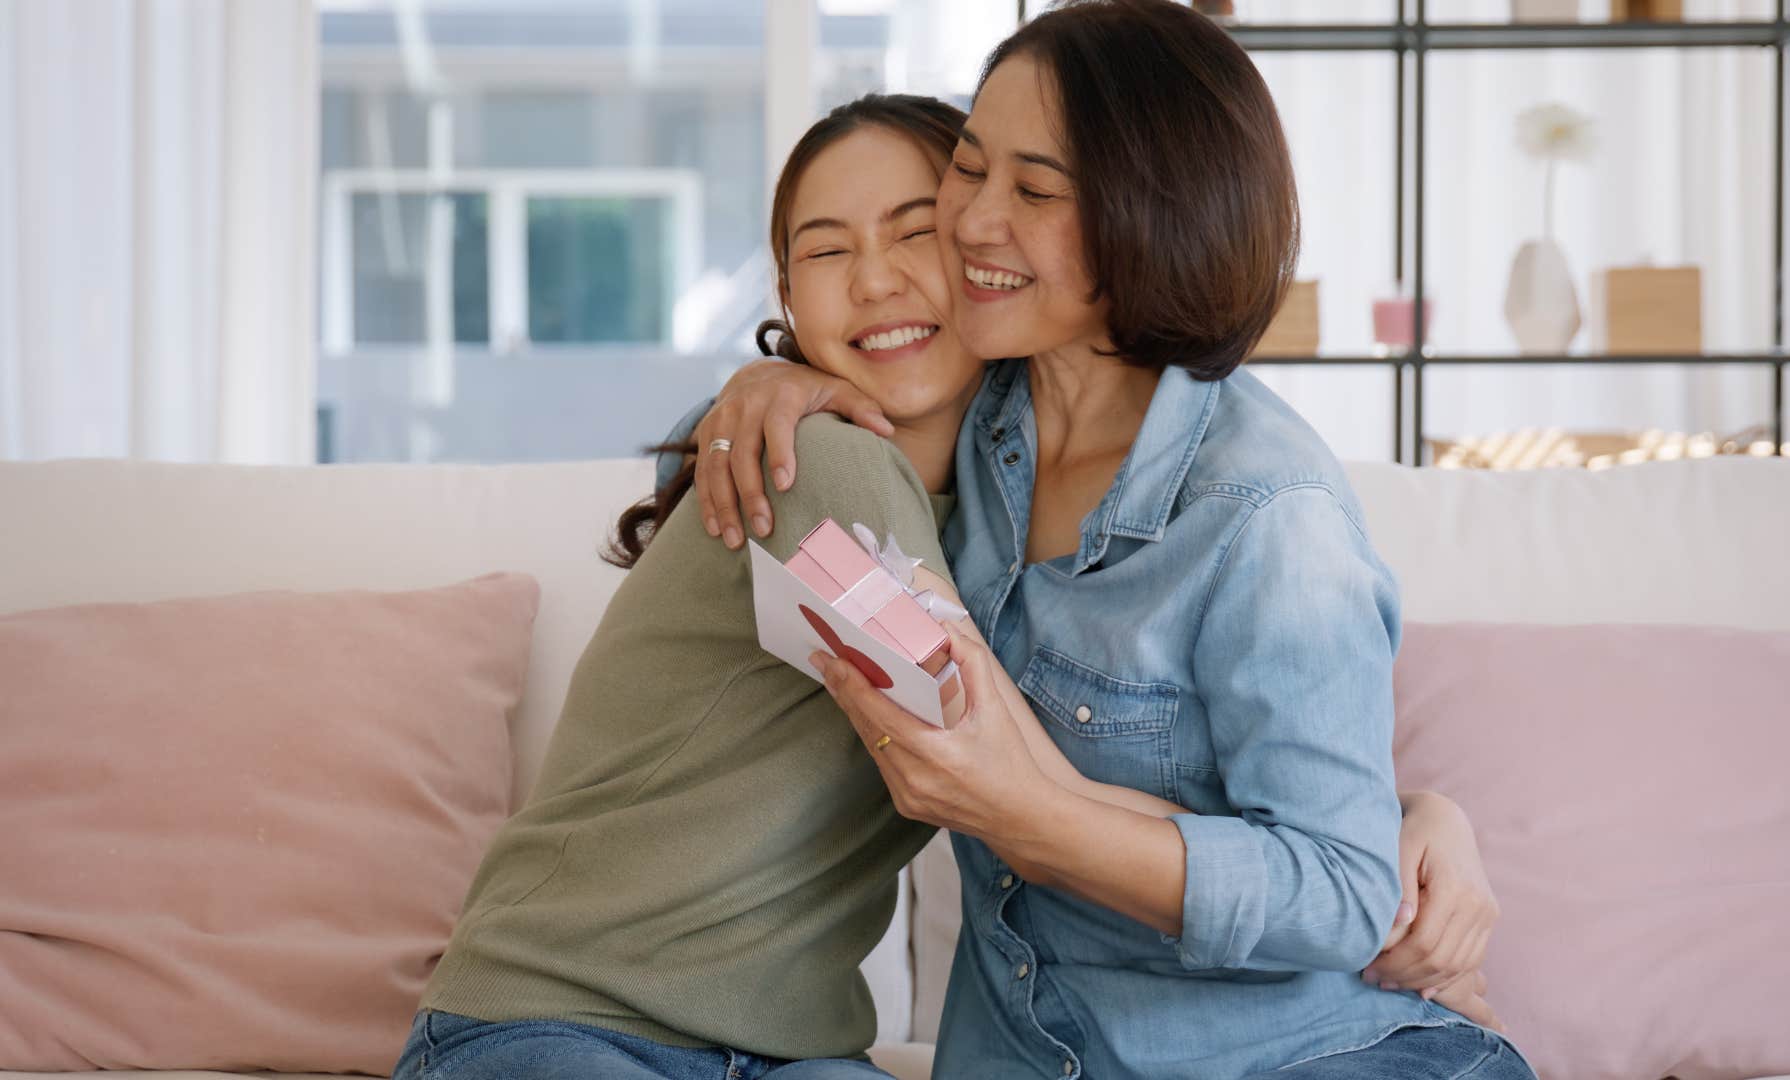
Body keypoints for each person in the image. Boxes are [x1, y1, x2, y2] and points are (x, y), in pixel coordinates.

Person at [671, 3, 1536, 1078]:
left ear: (1153, 219)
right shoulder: (975, 424)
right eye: (971, 168)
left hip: (1306, 1057)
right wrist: (773, 379)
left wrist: (1034, 819)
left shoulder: (1266, 511)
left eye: (1034, 191)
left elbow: (1342, 886)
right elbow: (864, 332)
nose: (972, 223)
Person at [386, 93, 1190, 1080]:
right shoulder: (817, 463)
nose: (877, 282)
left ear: (989, 253)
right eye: (826, 251)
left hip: (779, 1052)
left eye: (916, 233)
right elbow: (988, 754)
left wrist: (1395, 818)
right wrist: (1314, 865)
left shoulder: (994, 520)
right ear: (786, 294)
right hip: (557, 1014)